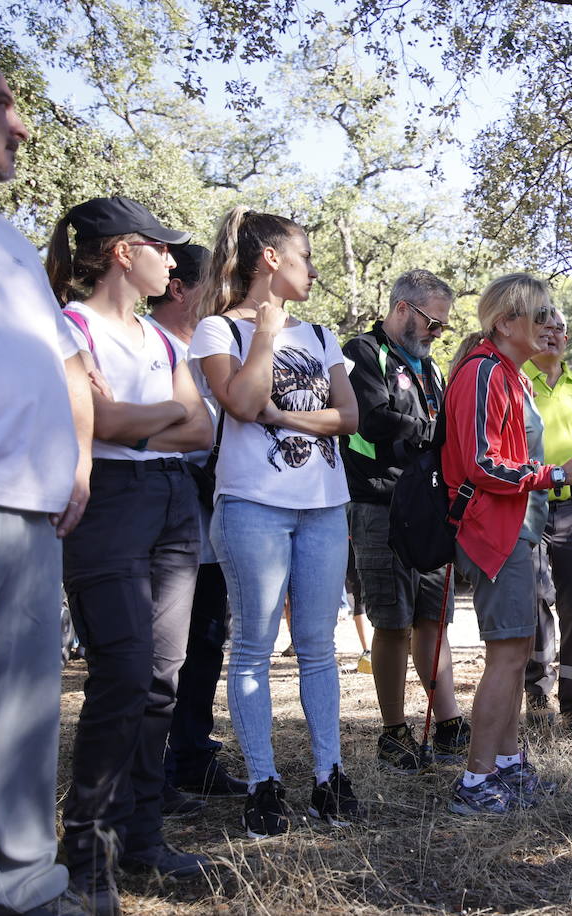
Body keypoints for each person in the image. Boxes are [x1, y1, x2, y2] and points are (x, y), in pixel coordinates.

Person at [46, 194, 215, 908]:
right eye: (162, 248)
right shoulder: (70, 324)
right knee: (120, 672)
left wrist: (152, 417)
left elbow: (201, 428)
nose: (172, 262)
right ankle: (84, 854)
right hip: (109, 505)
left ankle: (140, 837)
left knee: (161, 680)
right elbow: (100, 420)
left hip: (175, 503)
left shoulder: (164, 339)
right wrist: (163, 413)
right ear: (124, 251)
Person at [191, 206, 363, 838]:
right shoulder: (216, 331)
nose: (312, 269)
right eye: (305, 256)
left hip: (323, 504)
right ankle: (263, 782)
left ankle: (330, 777)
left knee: (319, 647)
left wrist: (282, 417)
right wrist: (264, 331)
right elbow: (237, 402)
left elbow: (348, 419)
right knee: (255, 648)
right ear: (272, 260)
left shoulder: (321, 337)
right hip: (252, 507)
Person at [0, 43, 95, 916]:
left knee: (17, 724)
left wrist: (79, 464)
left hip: (32, 513)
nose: (20, 122)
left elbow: (67, 363)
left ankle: (23, 888)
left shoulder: (6, 240)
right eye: (1, 101)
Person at [441, 273, 572, 815]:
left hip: (517, 531)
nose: (550, 324)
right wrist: (555, 474)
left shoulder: (511, 374)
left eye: (553, 315)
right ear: (506, 323)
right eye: (539, 315)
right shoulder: (484, 373)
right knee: (506, 660)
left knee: (513, 654)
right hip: (495, 532)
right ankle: (476, 781)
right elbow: (483, 464)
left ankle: (506, 766)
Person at [341, 269, 470, 773]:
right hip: (379, 505)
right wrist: (435, 432)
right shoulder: (361, 353)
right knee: (391, 620)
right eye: (433, 323)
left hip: (430, 507)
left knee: (433, 619)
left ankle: (448, 722)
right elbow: (373, 418)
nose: (438, 334)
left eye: (443, 327)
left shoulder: (432, 369)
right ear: (402, 309)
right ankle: (394, 730)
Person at [145, 243, 250, 811]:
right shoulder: (148, 344)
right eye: (212, 279)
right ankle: (149, 768)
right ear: (180, 287)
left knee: (207, 641)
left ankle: (192, 757)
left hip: (213, 525)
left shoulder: (221, 344)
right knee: (160, 649)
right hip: (163, 517)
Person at [522, 306, 572, 730]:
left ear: (567, 339)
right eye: (544, 327)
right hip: (527, 504)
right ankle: (537, 694)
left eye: (559, 328)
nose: (552, 334)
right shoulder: (516, 382)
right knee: (532, 598)